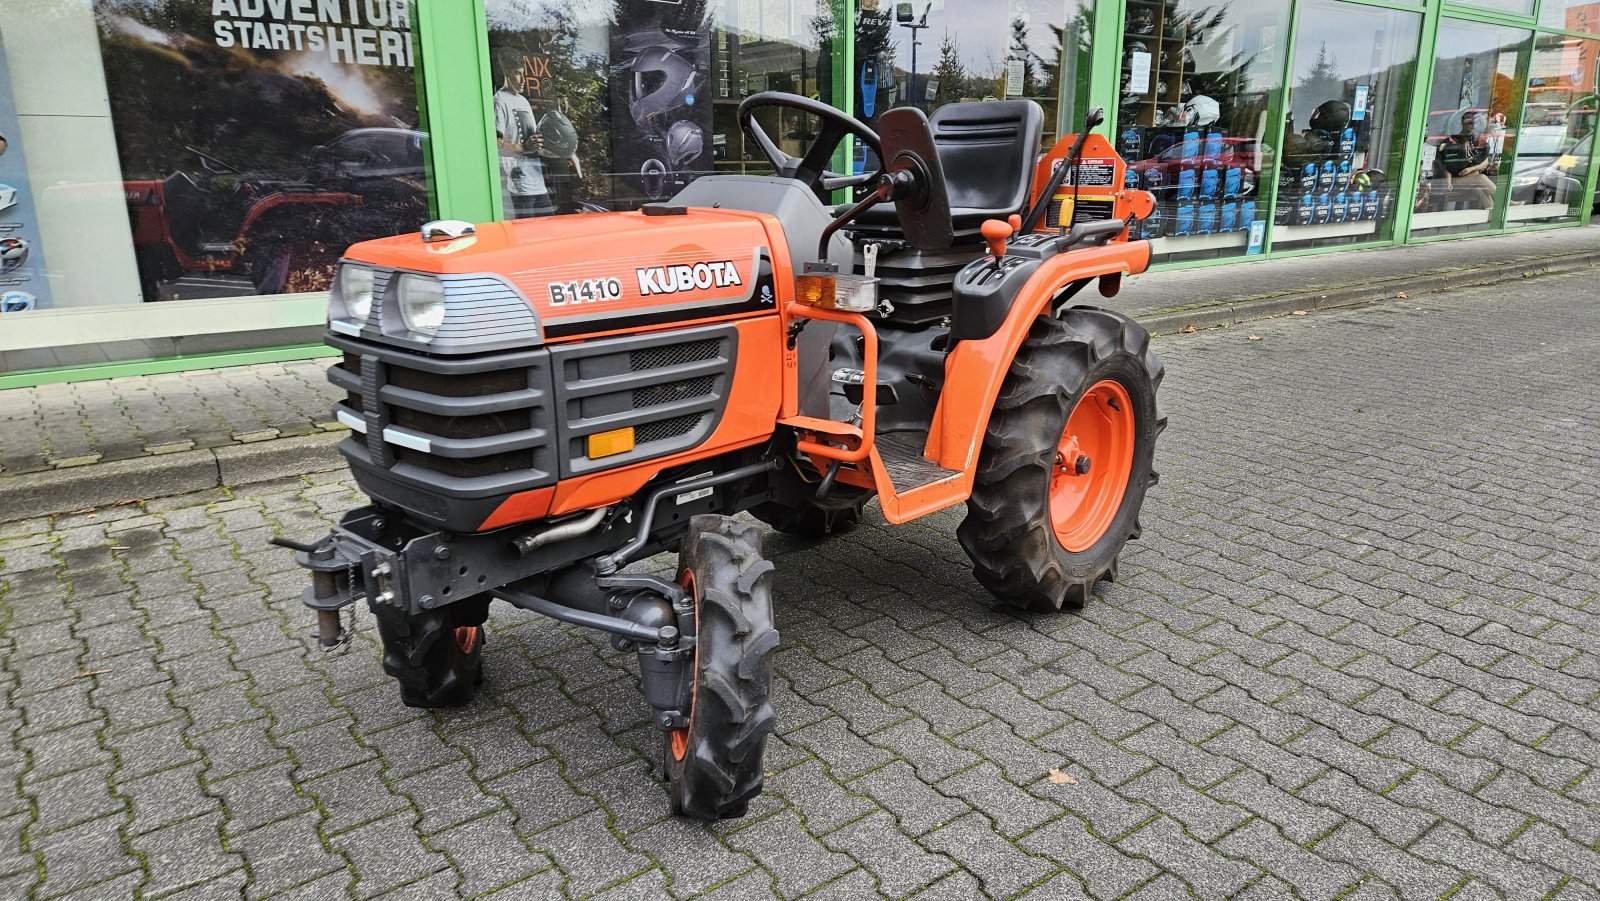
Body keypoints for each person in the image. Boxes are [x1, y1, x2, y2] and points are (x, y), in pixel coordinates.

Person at [493, 50, 554, 218]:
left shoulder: (524, 101)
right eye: (517, 74)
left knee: (550, 234)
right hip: (520, 187)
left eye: (524, 74)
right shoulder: (499, 101)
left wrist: (562, 151)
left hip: (538, 184)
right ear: (506, 72)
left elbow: (535, 144)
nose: (523, 80)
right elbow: (495, 144)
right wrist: (524, 148)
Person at [1435, 112, 1496, 210]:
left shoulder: (1476, 140)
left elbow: (1485, 162)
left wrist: (1471, 168)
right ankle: (1506, 200)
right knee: (1481, 178)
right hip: (1455, 180)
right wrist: (1448, 183)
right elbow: (1447, 165)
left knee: (1479, 189)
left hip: (1471, 180)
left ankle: (1491, 211)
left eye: (1474, 123)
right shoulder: (1452, 141)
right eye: (1469, 123)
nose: (1473, 126)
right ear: (1463, 123)